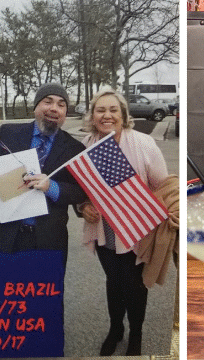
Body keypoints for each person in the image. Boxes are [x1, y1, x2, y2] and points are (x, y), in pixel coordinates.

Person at [78, 87, 172, 356]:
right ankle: (115, 328)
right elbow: (78, 190)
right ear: (93, 115)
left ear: (123, 115)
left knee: (134, 284)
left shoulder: (143, 143)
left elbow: (163, 187)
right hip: (104, 230)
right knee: (113, 281)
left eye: (113, 110)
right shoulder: (86, 145)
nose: (107, 115)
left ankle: (136, 334)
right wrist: (83, 207)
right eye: (100, 110)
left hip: (138, 230)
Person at [0, 83, 87, 261]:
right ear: (36, 107)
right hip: (10, 239)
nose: (54, 109)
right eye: (48, 102)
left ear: (65, 113)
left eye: (61, 105)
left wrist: (52, 187)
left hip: (51, 242)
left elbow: (80, 191)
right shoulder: (9, 133)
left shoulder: (74, 148)